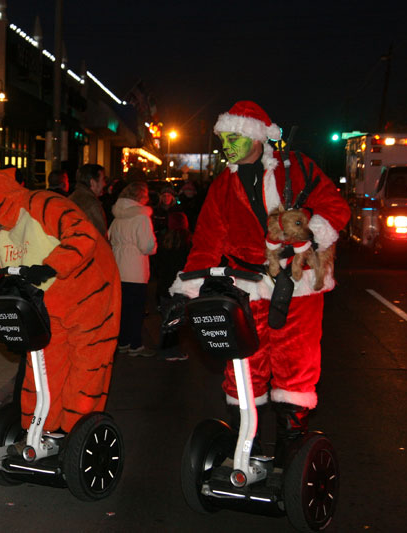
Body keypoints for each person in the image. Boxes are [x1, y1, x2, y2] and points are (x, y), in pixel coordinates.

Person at [168, 101, 350, 456]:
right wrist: (186, 289)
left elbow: (336, 208)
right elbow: (206, 241)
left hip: (297, 285)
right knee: (242, 366)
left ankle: (291, 448)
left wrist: (310, 228)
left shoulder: (298, 169)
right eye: (223, 138)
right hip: (246, 286)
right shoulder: (222, 186)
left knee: (295, 364)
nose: (226, 145)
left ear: (254, 137)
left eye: (233, 137)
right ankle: (242, 447)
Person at [0, 168, 121, 434]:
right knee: (42, 370)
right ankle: (38, 433)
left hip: (91, 296)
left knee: (86, 371)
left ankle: (78, 434)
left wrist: (50, 266)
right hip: (46, 306)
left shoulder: (44, 204)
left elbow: (82, 234)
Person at [108, 181, 157, 357]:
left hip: (118, 268)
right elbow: (146, 246)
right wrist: (154, 247)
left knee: (122, 309)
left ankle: (122, 341)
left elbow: (109, 237)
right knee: (136, 310)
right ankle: (135, 344)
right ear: (141, 197)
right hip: (135, 270)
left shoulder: (117, 216)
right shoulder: (141, 217)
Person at [155, 212, 192, 361]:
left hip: (164, 285)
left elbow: (157, 264)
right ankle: (170, 351)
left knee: (167, 319)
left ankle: (169, 350)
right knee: (176, 320)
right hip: (180, 286)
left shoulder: (164, 241)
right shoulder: (189, 242)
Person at [69, 163, 108, 235]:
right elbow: (100, 236)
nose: (104, 184)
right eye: (103, 179)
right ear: (92, 182)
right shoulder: (91, 205)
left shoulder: (72, 198)